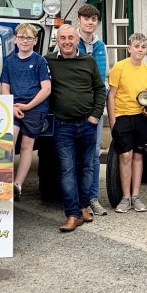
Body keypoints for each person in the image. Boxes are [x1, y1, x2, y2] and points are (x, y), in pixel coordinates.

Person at [45, 25, 106, 232]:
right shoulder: (48, 61)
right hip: (63, 126)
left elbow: (100, 89)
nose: (67, 41)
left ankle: (82, 205)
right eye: (63, 38)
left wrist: (95, 116)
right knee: (67, 170)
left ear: (77, 39)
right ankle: (73, 214)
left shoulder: (88, 61)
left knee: (87, 168)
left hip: (87, 124)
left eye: (71, 37)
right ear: (57, 40)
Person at [0, 23, 51, 200]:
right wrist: (11, 106)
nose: (25, 41)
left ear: (35, 41)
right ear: (15, 39)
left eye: (29, 38)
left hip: (34, 109)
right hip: (14, 108)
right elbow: (4, 87)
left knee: (27, 145)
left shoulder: (40, 61)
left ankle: (18, 185)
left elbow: (46, 89)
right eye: (21, 37)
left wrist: (28, 106)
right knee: (9, 141)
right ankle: (4, 181)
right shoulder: (9, 62)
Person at [108, 32, 147, 213]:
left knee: (138, 156)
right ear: (129, 49)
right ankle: (125, 197)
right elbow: (111, 96)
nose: (140, 50)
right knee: (125, 156)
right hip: (122, 117)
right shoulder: (119, 68)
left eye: (143, 47)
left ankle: (136, 196)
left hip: (140, 117)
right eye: (137, 47)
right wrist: (113, 122)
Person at [76, 4, 109, 216]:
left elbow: (101, 80)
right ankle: (77, 200)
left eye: (94, 19)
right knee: (75, 155)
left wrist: (99, 109)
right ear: (79, 20)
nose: (90, 22)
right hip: (74, 107)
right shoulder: (69, 41)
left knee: (94, 154)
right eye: (86, 18)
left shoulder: (100, 46)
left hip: (94, 108)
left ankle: (92, 198)